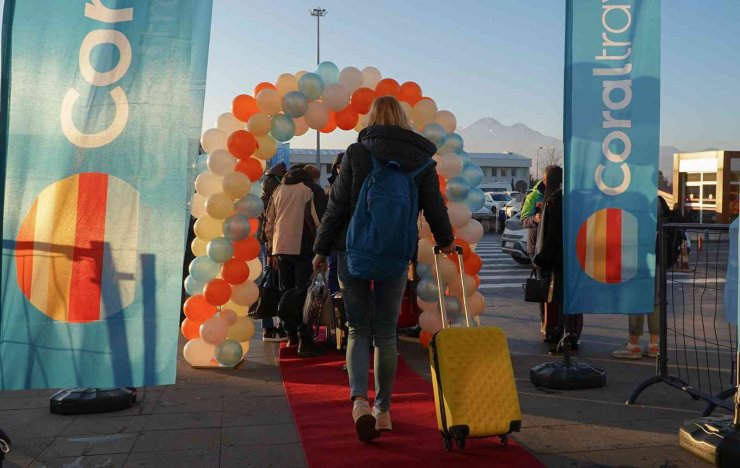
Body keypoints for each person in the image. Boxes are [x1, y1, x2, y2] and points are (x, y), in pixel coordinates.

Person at [312, 96, 455, 442]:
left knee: (358, 329)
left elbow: (337, 207)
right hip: (395, 255)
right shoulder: (421, 159)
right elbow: (434, 207)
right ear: (403, 120)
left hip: (353, 252)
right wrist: (447, 240)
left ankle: (359, 400)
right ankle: (384, 410)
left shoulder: (357, 153)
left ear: (374, 118)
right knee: (386, 333)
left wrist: (320, 249)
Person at [264, 166, 326, 357]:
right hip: (303, 247)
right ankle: (305, 340)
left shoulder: (278, 189)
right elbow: (321, 221)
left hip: (280, 248)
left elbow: (270, 220)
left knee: (287, 292)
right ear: (312, 177)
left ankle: (291, 335)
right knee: (303, 294)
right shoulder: (311, 189)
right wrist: (322, 250)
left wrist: (271, 249)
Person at [612, 196, 676, 359]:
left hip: (638, 257)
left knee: (636, 300)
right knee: (656, 300)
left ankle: (633, 345)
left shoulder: (636, 199)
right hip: (658, 257)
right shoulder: (659, 201)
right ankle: (654, 345)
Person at [533, 165, 582, 352]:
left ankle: (565, 336)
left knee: (561, 298)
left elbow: (552, 235)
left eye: (544, 178)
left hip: (560, 260)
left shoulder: (555, 201)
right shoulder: (568, 199)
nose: (542, 181)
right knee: (566, 299)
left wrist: (541, 258)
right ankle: (567, 334)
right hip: (571, 257)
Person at [258, 162, 288, 342]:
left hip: (267, 246)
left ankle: (268, 327)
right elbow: (271, 227)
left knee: (268, 284)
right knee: (280, 284)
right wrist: (271, 253)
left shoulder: (262, 197)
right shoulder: (276, 196)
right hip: (275, 246)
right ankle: (280, 326)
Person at [520, 177, 546, 336]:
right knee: (542, 285)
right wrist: (534, 219)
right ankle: (545, 321)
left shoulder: (563, 194)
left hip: (556, 246)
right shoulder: (534, 196)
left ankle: (559, 323)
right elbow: (523, 220)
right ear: (544, 179)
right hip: (536, 247)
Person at [326, 153, 344, 295]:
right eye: (337, 167)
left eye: (342, 166)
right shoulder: (331, 187)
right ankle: (334, 305)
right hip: (333, 236)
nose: (340, 169)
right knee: (333, 270)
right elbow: (327, 215)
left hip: (348, 236)